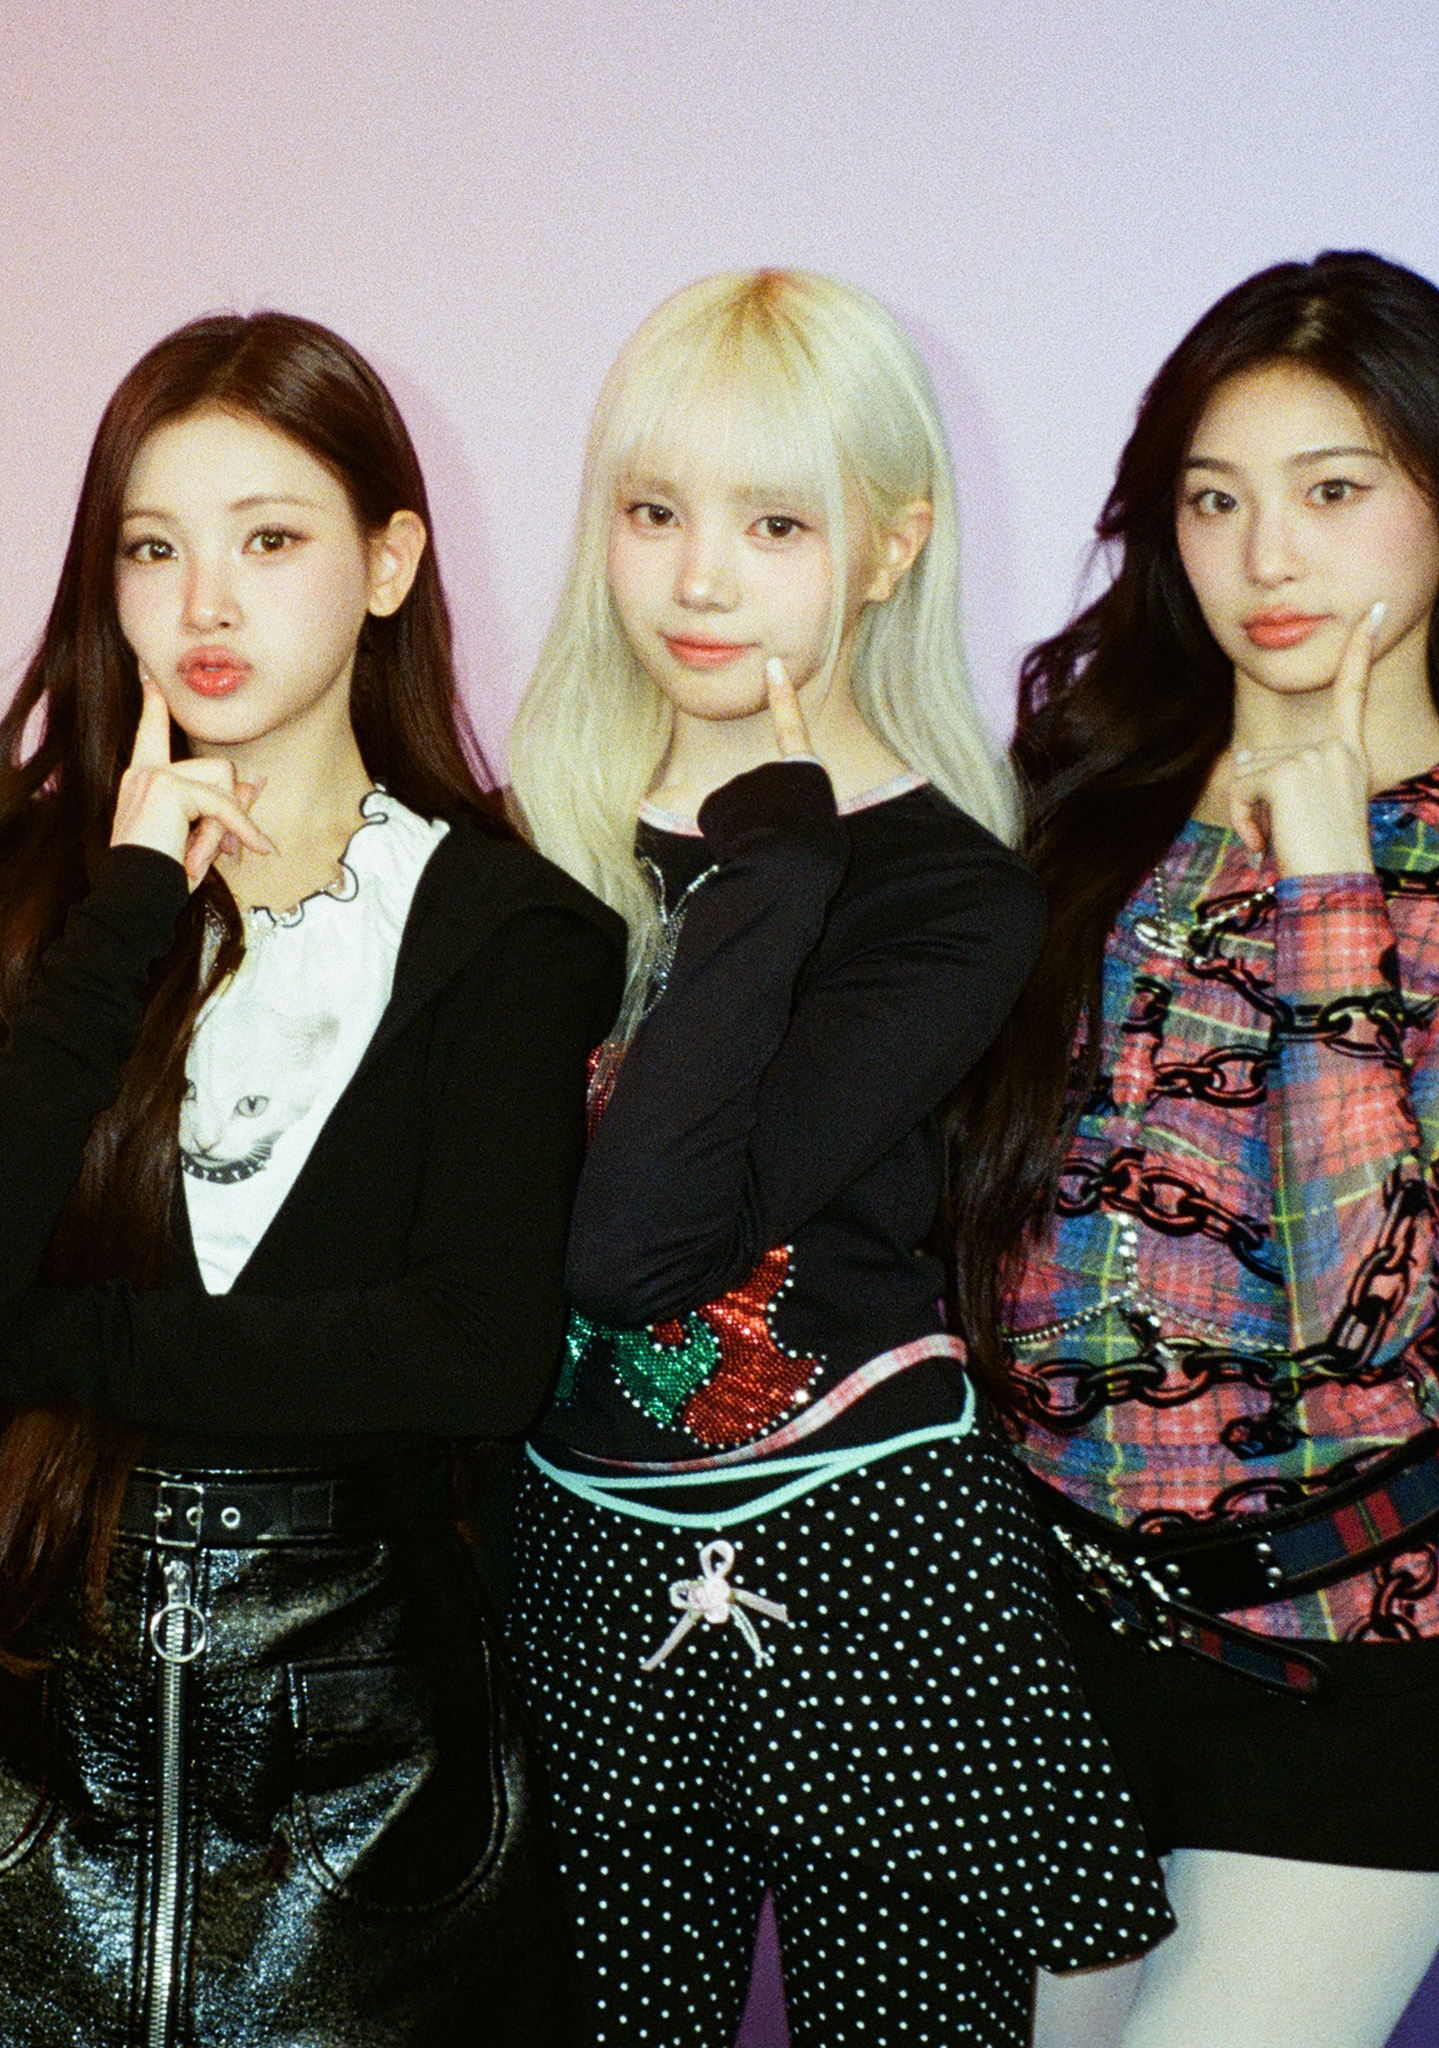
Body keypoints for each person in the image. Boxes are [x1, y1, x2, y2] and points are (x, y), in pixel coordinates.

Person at [0, 311, 623, 2048]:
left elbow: (473, 1353)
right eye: (153, 549)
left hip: (363, 1760)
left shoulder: (507, 926)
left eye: (270, 540)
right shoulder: (14, 880)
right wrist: (124, 911)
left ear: (387, 562)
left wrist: (39, 1348)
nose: (204, 605)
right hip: (9, 1728)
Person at [944, 252, 1439, 2048]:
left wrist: (1327, 875)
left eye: (1332, 493)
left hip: (1341, 1648)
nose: (1267, 557)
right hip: (1025, 1642)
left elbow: (1365, 1307)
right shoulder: (1058, 816)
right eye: (1213, 500)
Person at [500, 270, 1174, 2048]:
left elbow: (637, 1247)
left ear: (889, 546)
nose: (697, 581)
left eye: (774, 524)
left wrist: (773, 872)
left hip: (869, 1558)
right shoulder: (527, 843)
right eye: (652, 512)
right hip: (571, 1559)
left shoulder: (946, 895)